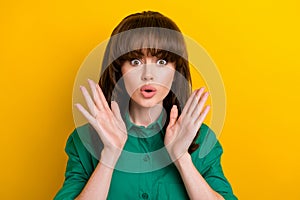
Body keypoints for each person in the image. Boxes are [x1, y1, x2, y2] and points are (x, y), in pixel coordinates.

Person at [54, 11, 237, 200]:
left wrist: (182, 158)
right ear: (119, 70)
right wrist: (109, 156)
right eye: (135, 61)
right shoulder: (84, 140)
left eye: (162, 61)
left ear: (176, 71)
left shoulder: (201, 138)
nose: (148, 75)